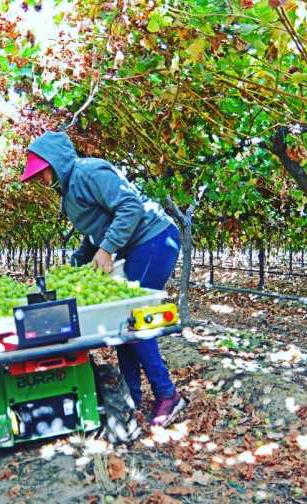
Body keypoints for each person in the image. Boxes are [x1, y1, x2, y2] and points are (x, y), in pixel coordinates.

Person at [20, 131, 186, 427]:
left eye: (41, 172)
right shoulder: (69, 193)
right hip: (136, 245)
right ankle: (131, 397)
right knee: (121, 323)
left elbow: (130, 207)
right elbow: (95, 231)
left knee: (134, 318)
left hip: (154, 239)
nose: (39, 181)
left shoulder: (89, 172)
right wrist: (76, 265)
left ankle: (167, 393)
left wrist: (107, 249)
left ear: (55, 162)